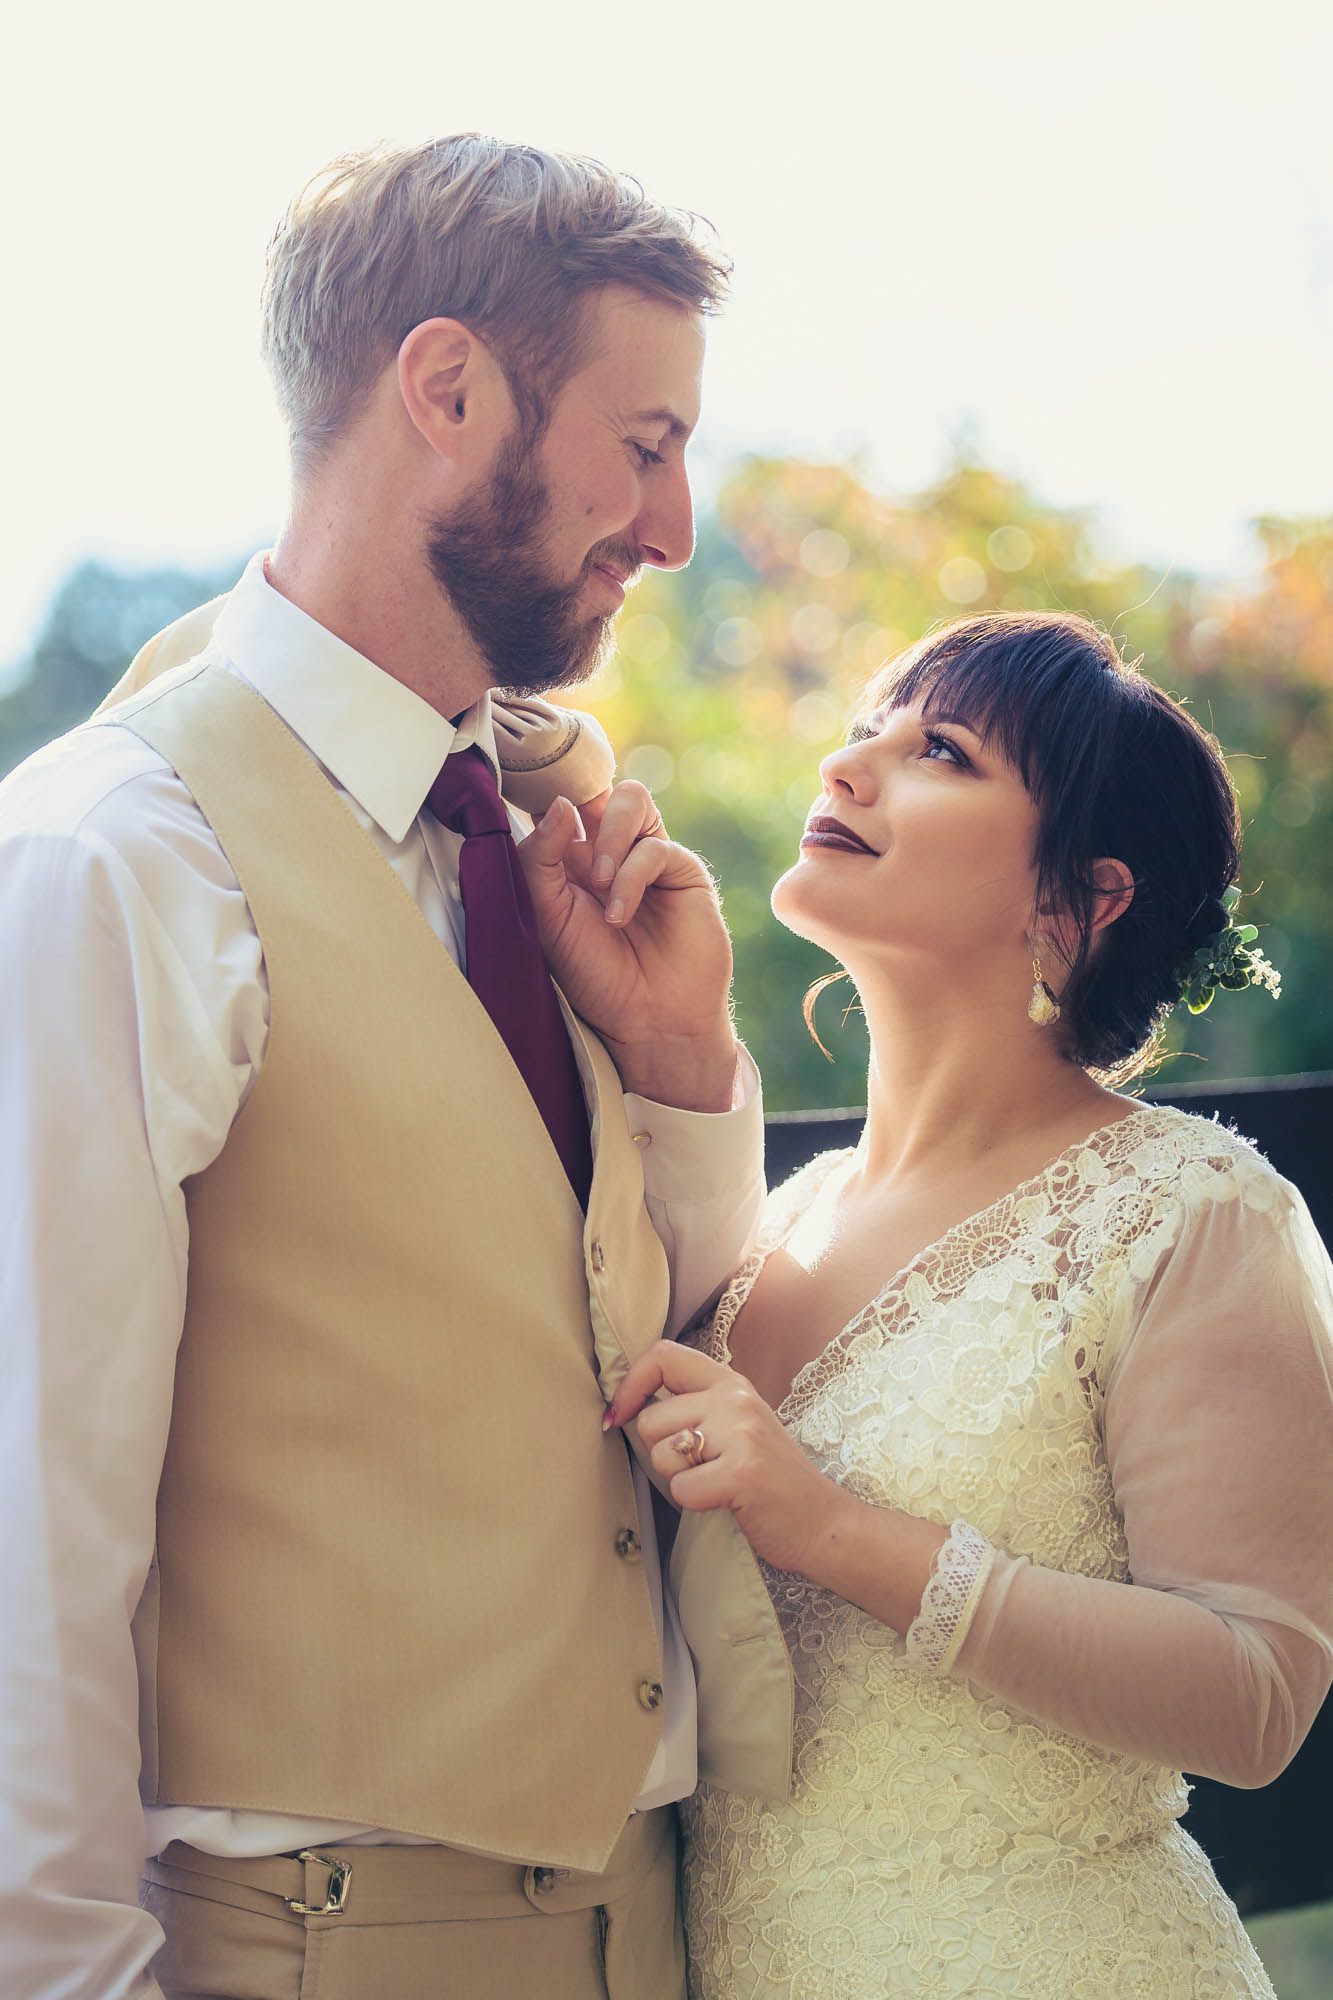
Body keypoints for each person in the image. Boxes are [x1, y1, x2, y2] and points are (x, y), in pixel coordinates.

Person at [0, 135, 792, 2000]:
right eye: (645, 444)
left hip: (654, 1921)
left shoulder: (540, 833)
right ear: (445, 390)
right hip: (317, 1951)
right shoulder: (113, 857)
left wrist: (679, 1066)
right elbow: (29, 1530)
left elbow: (613, 1338)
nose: (673, 529)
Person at [607, 612, 1333, 1998]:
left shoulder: (1190, 1210)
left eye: (938, 750)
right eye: (868, 725)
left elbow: (1256, 1694)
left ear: (1079, 901)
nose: (848, 765)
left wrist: (830, 1529)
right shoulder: (772, 1218)